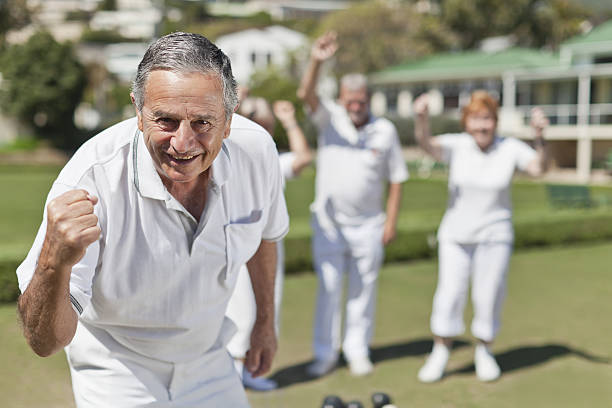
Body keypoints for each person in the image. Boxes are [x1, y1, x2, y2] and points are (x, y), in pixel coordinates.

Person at [15, 32, 289, 407]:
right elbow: (43, 342)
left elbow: (265, 236)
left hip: (210, 356)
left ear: (229, 119)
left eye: (203, 123)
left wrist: (264, 324)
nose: (183, 142)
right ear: (138, 113)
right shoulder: (90, 181)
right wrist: (52, 260)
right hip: (118, 366)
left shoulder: (256, 152)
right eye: (166, 120)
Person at [413, 90, 548, 383]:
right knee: (449, 294)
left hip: (495, 236)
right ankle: (440, 351)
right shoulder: (458, 145)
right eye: (475, 119)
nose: (481, 126)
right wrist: (421, 119)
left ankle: (484, 351)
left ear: (495, 122)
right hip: (455, 237)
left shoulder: (510, 148)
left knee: (488, 296)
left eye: (486, 119)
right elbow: (426, 145)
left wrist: (540, 137)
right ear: (466, 122)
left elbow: (538, 168)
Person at [297, 31, 409, 377]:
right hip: (329, 225)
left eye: (361, 100)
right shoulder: (329, 118)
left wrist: (390, 223)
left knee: (364, 291)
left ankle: (358, 350)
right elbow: (306, 94)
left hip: (369, 224)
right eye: (350, 100)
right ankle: (325, 354)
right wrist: (317, 59)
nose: (356, 106)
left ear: (368, 99)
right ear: (342, 99)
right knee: (329, 290)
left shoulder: (385, 131)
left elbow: (396, 179)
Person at [225, 96, 312, 391]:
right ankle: (236, 370)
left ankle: (252, 370)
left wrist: (289, 121)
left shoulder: (272, 157)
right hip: (236, 243)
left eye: (267, 126)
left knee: (266, 306)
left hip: (268, 243)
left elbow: (303, 159)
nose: (261, 131)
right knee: (240, 308)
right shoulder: (226, 154)